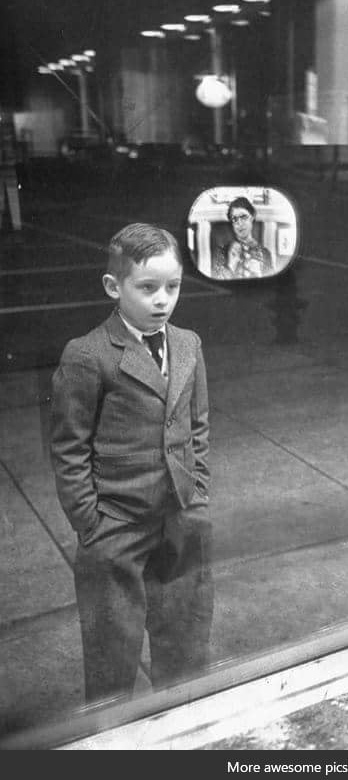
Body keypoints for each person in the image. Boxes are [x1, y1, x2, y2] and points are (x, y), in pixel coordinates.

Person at [50, 222, 213, 705]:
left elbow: (197, 424)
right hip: (116, 526)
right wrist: (90, 523)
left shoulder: (188, 345)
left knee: (185, 646)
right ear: (113, 287)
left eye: (173, 286)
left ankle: (183, 730)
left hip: (180, 518)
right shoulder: (87, 355)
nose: (162, 299)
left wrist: (197, 492)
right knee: (111, 655)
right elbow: (69, 447)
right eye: (147, 288)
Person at [212, 196, 272, 279]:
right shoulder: (222, 251)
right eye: (234, 219)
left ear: (252, 217)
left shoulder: (265, 253)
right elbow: (216, 284)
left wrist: (259, 275)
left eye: (243, 217)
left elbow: (272, 284)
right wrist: (230, 266)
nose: (239, 223)